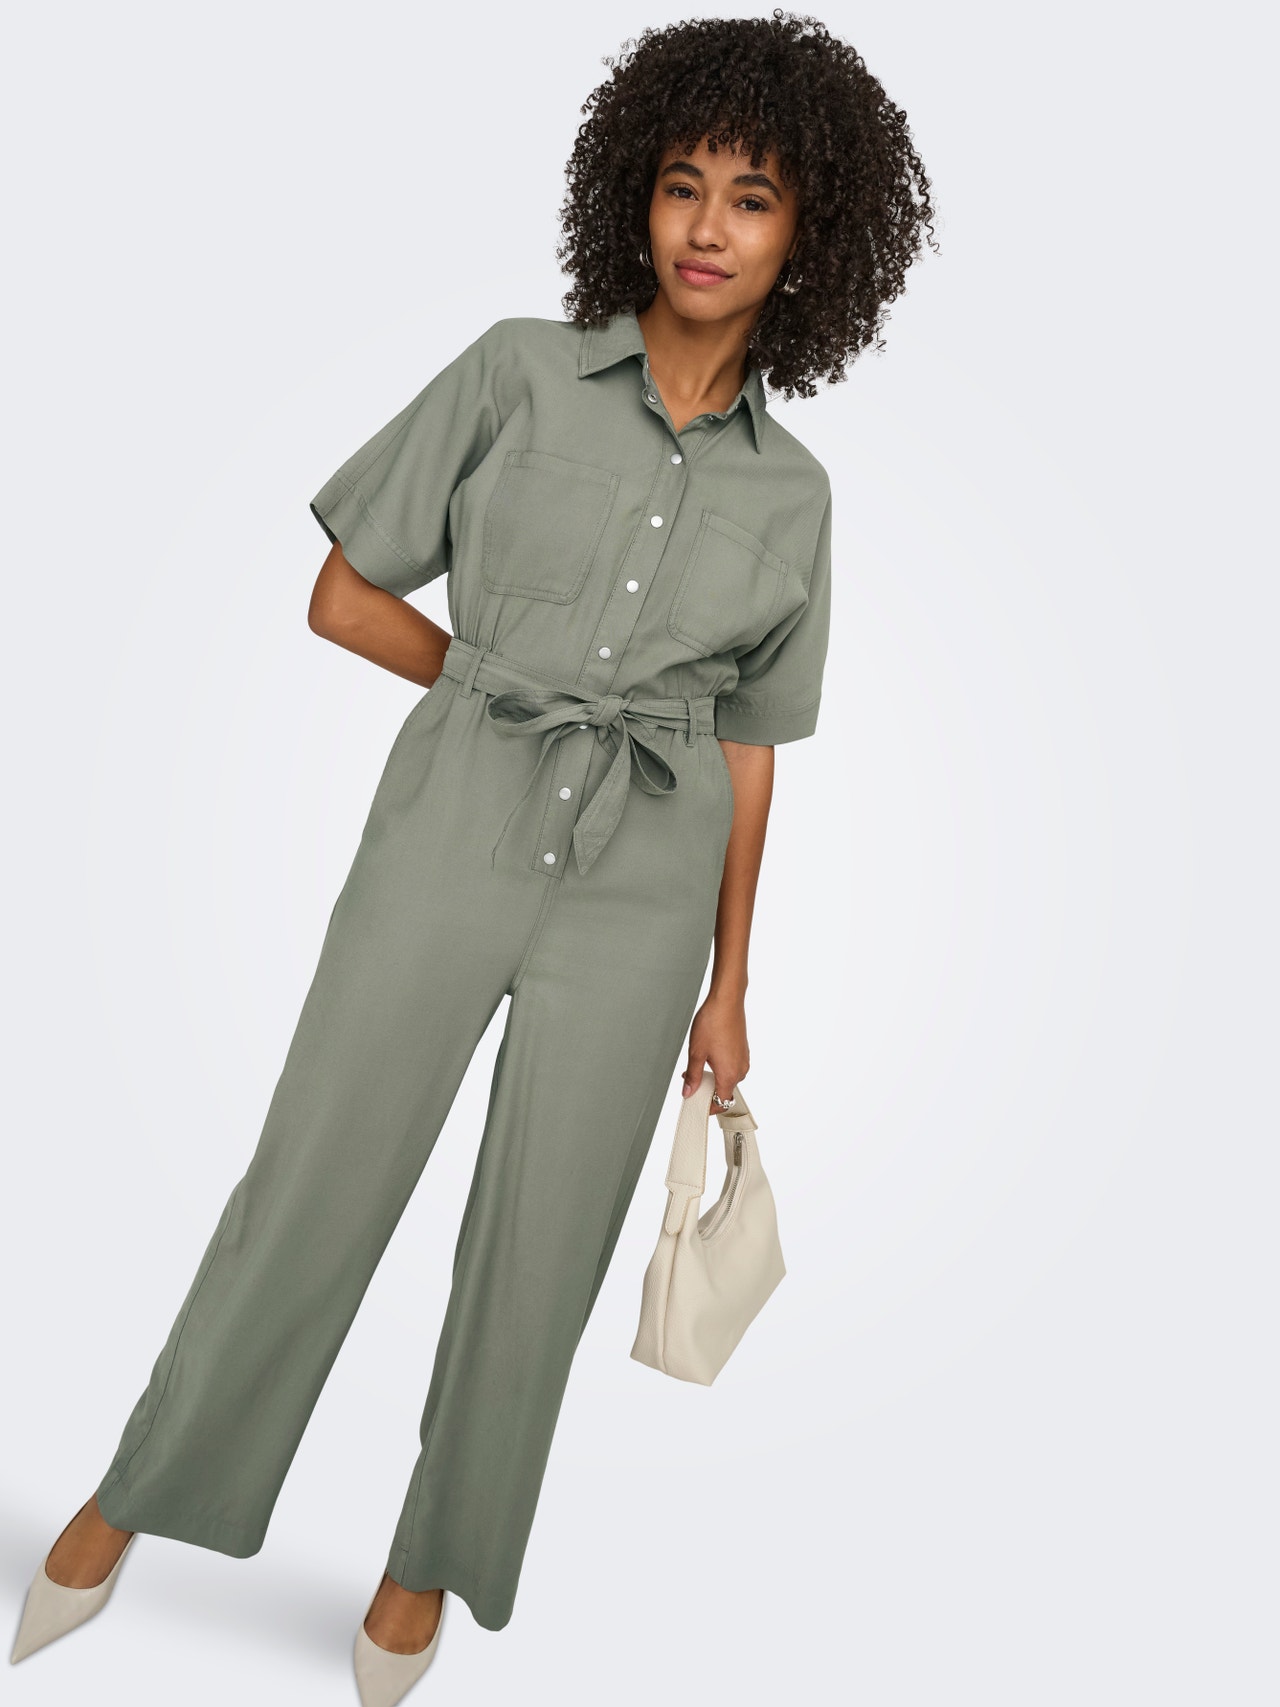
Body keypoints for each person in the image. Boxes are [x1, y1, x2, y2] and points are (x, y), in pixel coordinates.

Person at [12, 13, 935, 1703]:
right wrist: (497, 685)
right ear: (634, 196)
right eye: (682, 185)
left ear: (812, 239)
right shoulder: (515, 372)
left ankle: (425, 1563)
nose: (708, 227)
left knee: (544, 1246)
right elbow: (344, 594)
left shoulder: (796, 496)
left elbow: (748, 750)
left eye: (753, 199)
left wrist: (732, 984)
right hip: (455, 820)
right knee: (317, 1172)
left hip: (649, 890)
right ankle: (134, 1495)